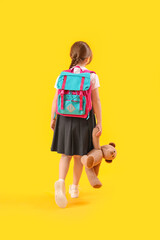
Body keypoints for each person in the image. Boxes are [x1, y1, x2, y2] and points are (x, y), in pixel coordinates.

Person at [50, 41, 102, 208]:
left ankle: (60, 181)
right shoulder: (92, 76)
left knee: (65, 154)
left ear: (72, 56)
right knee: (79, 155)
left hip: (64, 118)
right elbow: (96, 101)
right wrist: (99, 122)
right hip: (83, 118)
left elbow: (56, 98)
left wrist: (53, 117)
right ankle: (74, 188)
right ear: (88, 59)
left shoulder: (62, 75)